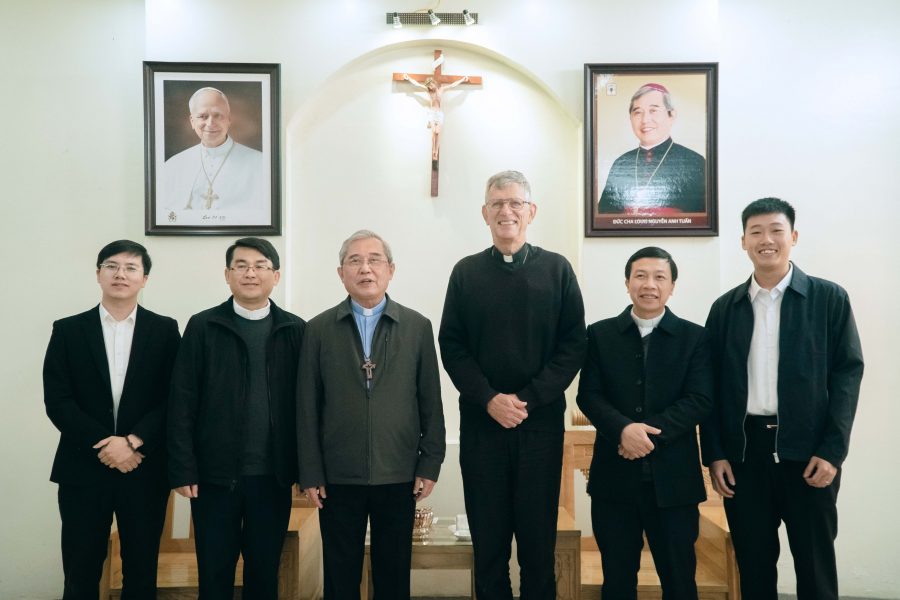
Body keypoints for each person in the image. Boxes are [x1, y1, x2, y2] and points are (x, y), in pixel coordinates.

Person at [700, 198, 864, 600]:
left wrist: (832, 451)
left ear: (794, 236)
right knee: (754, 567)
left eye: (776, 230)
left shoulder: (829, 299)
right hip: (745, 456)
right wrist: (715, 453)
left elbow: (847, 375)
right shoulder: (725, 309)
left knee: (815, 567)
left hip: (809, 454)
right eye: (756, 232)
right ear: (743, 241)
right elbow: (709, 388)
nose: (766, 240)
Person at [439, 170, 586, 599]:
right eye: (497, 204)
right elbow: (452, 346)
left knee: (538, 549)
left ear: (531, 211)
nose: (507, 211)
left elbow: (573, 344)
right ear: (485, 213)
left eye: (515, 203)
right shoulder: (466, 272)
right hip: (482, 427)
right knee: (489, 548)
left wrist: (526, 399)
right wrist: (489, 399)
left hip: (539, 427)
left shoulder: (557, 269)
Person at [298, 230, 446, 600]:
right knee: (340, 576)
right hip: (337, 475)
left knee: (393, 576)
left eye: (374, 260)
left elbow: (431, 401)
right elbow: (307, 406)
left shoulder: (417, 327)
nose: (365, 268)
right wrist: (310, 471)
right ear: (341, 273)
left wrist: (429, 464)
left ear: (390, 270)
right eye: (355, 261)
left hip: (398, 471)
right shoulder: (317, 329)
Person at [168, 237, 305, 599]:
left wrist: (305, 470)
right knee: (214, 575)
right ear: (227, 275)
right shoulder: (203, 326)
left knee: (264, 574)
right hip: (214, 478)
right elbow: (182, 401)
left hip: (273, 477)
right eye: (241, 266)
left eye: (260, 266)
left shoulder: (295, 329)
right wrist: (183, 468)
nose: (250, 273)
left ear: (276, 275)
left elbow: (307, 406)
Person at [43, 240, 180, 600]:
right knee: (80, 570)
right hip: (83, 467)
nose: (121, 274)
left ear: (144, 279)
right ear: (98, 274)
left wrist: (134, 441)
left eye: (131, 267)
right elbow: (58, 400)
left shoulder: (165, 330)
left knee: (141, 570)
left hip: (144, 468)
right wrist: (107, 445)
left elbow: (174, 397)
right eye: (112, 266)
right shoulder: (69, 330)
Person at [576, 246, 713, 600]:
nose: (649, 284)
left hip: (675, 483)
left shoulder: (695, 337)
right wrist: (623, 430)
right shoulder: (600, 335)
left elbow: (700, 399)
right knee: (617, 581)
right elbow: (588, 395)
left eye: (659, 277)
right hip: (614, 481)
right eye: (640, 276)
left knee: (679, 582)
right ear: (627, 283)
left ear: (672, 286)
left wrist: (646, 436)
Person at [598, 83, 706, 215]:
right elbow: (605, 216)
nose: (645, 120)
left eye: (653, 110)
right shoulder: (621, 163)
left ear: (671, 115)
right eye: (638, 112)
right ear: (630, 118)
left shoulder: (695, 162)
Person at [163, 87, 265, 211]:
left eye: (218, 115)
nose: (210, 123)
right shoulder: (173, 164)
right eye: (202, 116)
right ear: (192, 121)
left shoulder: (260, 163)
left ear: (229, 120)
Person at [402, 73, 469, 161]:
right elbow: (417, 84)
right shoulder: (429, 91)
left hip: (439, 114)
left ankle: (436, 150)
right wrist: (408, 78)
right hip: (432, 113)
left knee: (437, 132)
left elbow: (452, 85)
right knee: (433, 132)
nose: (430, 87)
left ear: (433, 83)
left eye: (431, 85)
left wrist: (462, 80)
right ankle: (433, 150)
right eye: (429, 86)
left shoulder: (441, 89)